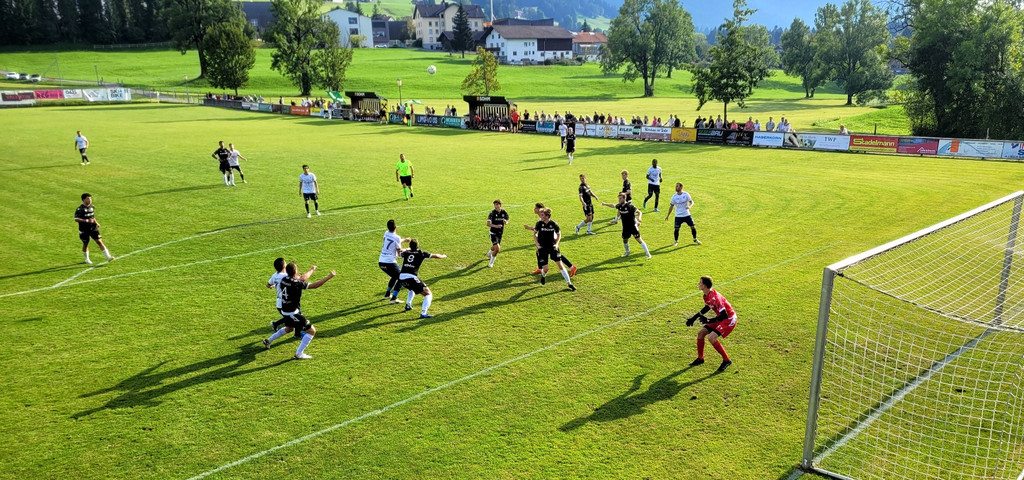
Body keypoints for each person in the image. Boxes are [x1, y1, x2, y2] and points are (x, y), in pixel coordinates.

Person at [263, 263, 336, 360]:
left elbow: (302, 278)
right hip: (293, 313)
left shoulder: (284, 280)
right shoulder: (296, 283)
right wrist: (329, 277)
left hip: (284, 310)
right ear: (295, 272)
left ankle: (268, 341)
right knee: (311, 331)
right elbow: (314, 286)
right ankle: (299, 354)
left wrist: (311, 270)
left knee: (289, 329)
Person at [684, 276, 736, 373]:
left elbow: (724, 315)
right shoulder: (707, 295)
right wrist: (693, 318)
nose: (698, 284)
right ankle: (700, 358)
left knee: (711, 338)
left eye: (700, 283)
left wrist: (708, 320)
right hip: (721, 318)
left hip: (729, 319)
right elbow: (707, 308)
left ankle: (726, 360)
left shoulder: (716, 298)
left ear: (704, 285)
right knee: (701, 333)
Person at [398, 239, 447, 318]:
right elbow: (436, 256)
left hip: (401, 277)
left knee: (412, 288)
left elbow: (400, 253)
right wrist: (443, 256)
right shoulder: (421, 253)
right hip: (411, 277)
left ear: (410, 246)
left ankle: (408, 304)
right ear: (417, 246)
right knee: (428, 294)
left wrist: (406, 249)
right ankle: (423, 313)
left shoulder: (406, 253)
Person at [525, 202, 576, 276]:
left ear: (539, 209)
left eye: (536, 208)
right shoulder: (542, 217)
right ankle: (540, 268)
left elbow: (540, 229)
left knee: (556, 256)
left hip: (551, 239)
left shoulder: (543, 217)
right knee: (539, 252)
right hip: (545, 239)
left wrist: (529, 228)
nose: (534, 209)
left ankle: (571, 267)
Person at [533, 208, 576, 291]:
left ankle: (569, 283)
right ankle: (543, 275)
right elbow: (534, 234)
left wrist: (556, 244)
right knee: (546, 269)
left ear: (547, 216)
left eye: (542, 215)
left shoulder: (553, 224)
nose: (541, 216)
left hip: (552, 247)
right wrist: (537, 244)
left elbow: (559, 234)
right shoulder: (539, 224)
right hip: (542, 248)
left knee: (560, 265)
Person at [268, 258, 316, 330]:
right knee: (296, 316)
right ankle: (298, 333)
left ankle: (276, 324)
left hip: (279, 302)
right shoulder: (286, 277)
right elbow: (302, 278)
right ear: (284, 266)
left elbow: (268, 285)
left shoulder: (274, 275)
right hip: (287, 302)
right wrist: (312, 269)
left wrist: (274, 286)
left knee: (290, 317)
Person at [602, 192, 651, 259]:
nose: (619, 200)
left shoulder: (630, 206)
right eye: (618, 198)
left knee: (639, 240)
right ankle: (627, 252)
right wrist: (605, 204)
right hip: (625, 227)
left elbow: (639, 212)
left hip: (633, 226)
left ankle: (648, 254)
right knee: (625, 240)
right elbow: (613, 205)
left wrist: (639, 218)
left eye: (620, 198)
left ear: (624, 198)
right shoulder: (619, 206)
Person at [74, 193, 114, 264]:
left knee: (99, 241)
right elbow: (76, 219)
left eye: (90, 199)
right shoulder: (80, 209)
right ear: (83, 200)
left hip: (93, 228)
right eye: (88, 199)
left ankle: (108, 257)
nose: (90, 200)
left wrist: (96, 223)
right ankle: (86, 259)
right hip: (84, 230)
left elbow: (92, 217)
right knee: (85, 244)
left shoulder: (92, 207)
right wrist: (86, 221)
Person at [378, 219, 410, 302]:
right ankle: (394, 298)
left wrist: (404, 240)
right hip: (389, 262)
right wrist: (407, 249)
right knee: (401, 277)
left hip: (381, 262)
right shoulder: (397, 237)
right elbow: (400, 253)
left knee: (395, 276)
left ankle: (387, 294)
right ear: (396, 227)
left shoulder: (386, 233)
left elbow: (392, 241)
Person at [665, 182, 701, 246]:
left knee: (693, 227)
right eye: (676, 186)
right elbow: (671, 206)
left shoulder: (686, 194)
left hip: (687, 214)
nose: (676, 188)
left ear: (681, 187)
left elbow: (692, 202)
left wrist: (689, 206)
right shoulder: (674, 197)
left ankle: (695, 239)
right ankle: (676, 241)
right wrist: (668, 215)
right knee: (676, 229)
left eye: (677, 186)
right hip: (678, 216)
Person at [486, 200, 509, 268]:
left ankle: (489, 253)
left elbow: (507, 220)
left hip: (500, 234)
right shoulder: (492, 213)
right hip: (493, 233)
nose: (495, 206)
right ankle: (491, 263)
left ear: (500, 205)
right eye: (494, 205)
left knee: (495, 246)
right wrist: (496, 226)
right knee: (497, 248)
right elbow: (488, 224)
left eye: (497, 205)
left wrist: (506, 222)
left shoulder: (504, 212)